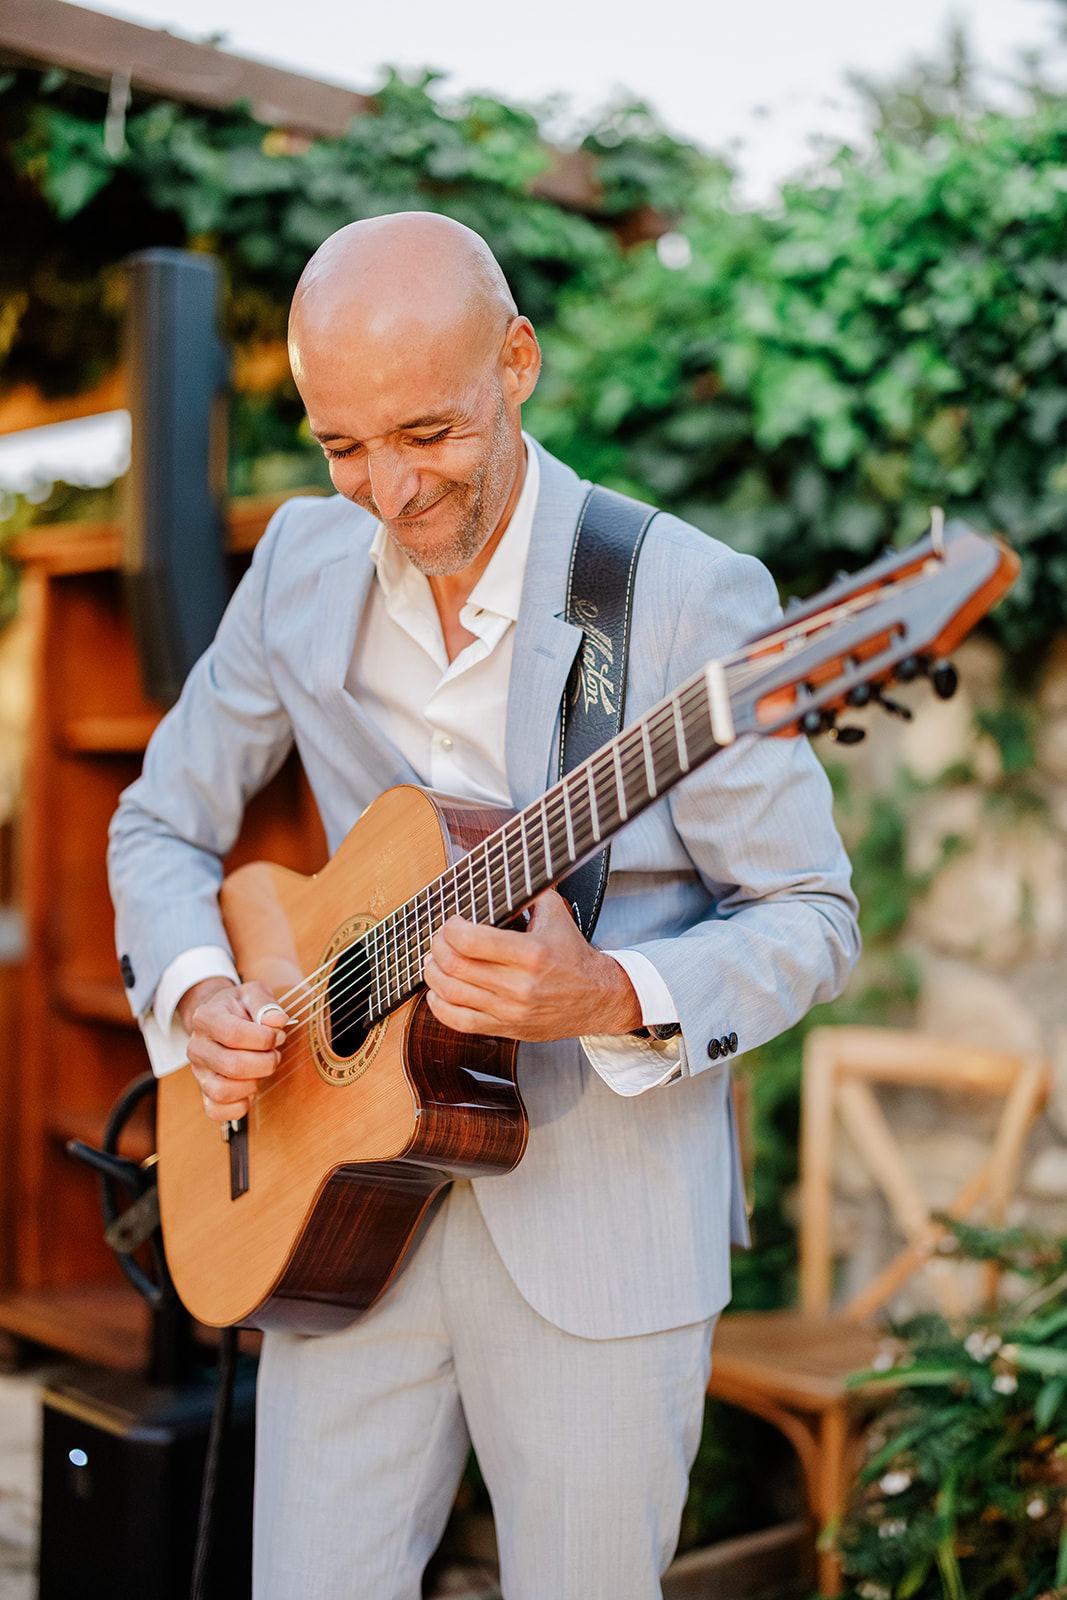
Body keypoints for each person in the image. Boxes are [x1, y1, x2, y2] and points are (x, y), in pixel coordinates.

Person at [108, 212, 860, 1600]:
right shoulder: (301, 563)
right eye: (344, 448)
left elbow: (812, 914)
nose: (387, 493)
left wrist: (609, 997)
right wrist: (199, 990)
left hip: (601, 1232)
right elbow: (161, 822)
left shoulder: (684, 597)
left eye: (429, 435)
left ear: (518, 360)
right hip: (335, 1213)